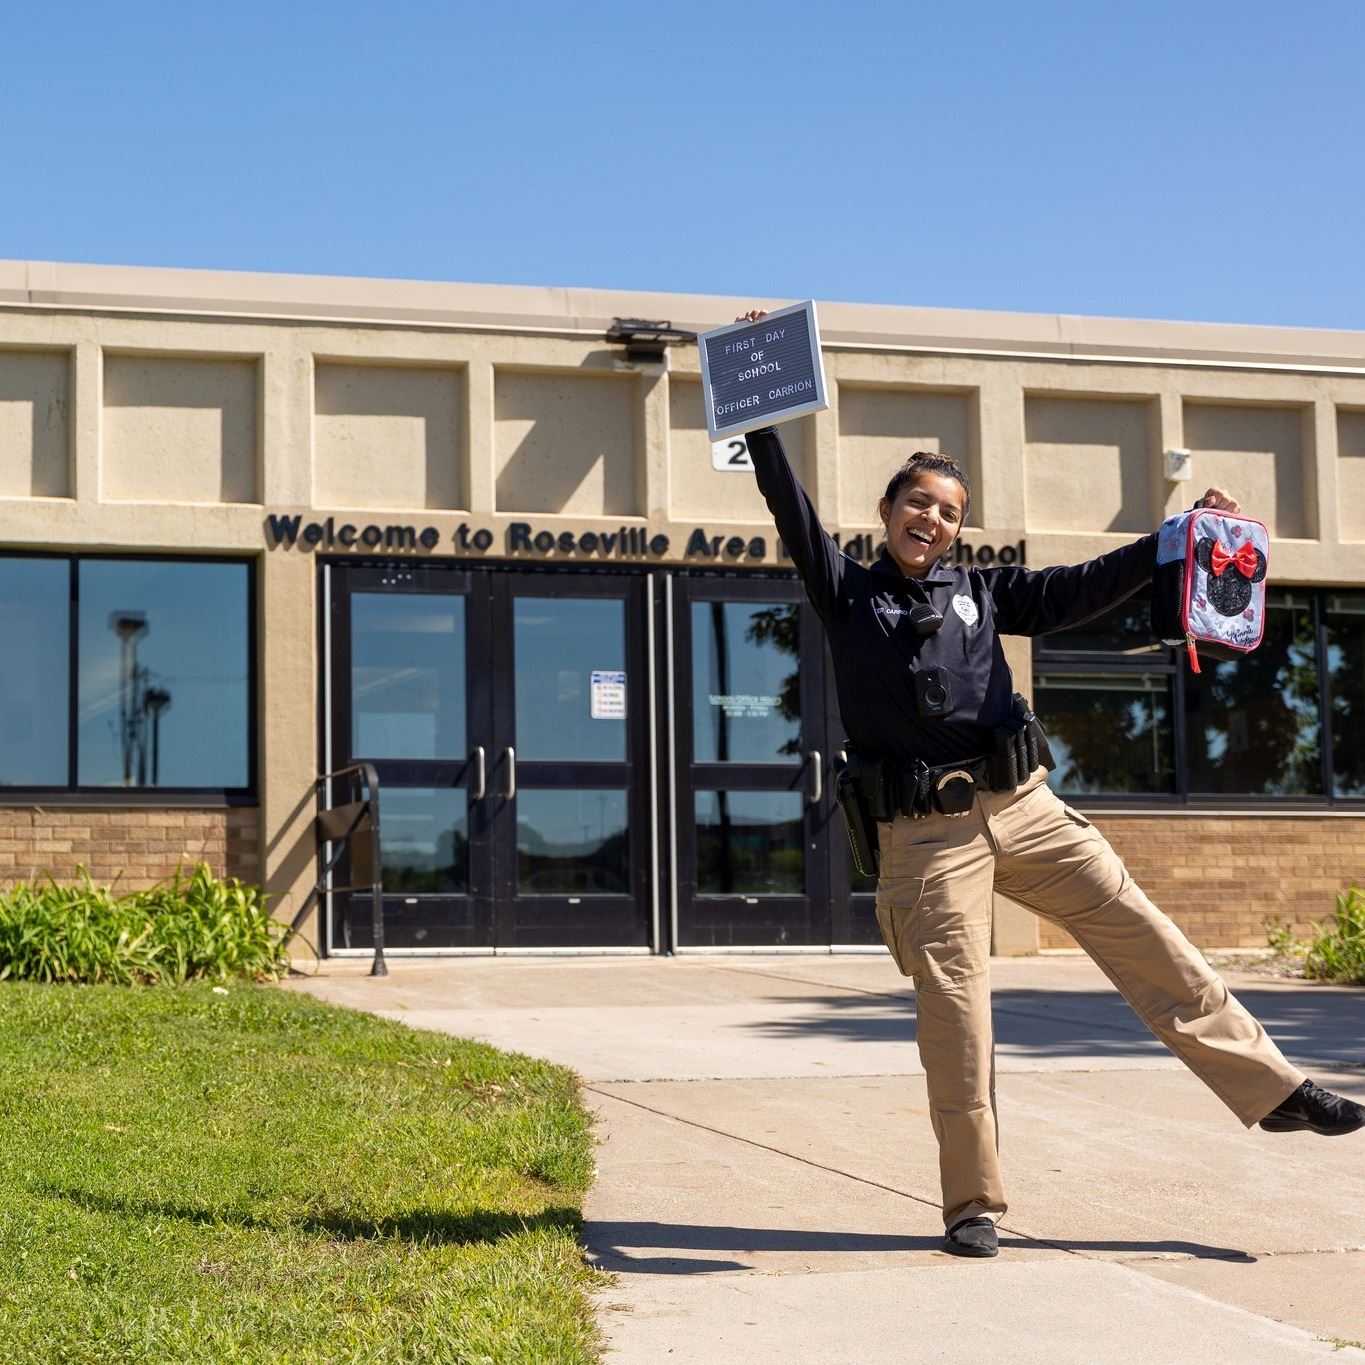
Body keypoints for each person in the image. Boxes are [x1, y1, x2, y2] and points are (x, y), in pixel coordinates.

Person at [732, 308, 1365, 1260]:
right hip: (925, 837)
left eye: (947, 508)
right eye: (916, 502)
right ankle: (970, 1204)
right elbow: (788, 507)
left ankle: (1274, 1090)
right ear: (886, 511)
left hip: (1027, 810)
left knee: (1147, 936)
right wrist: (759, 410)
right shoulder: (846, 592)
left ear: (955, 526)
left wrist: (1176, 536)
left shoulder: (987, 593)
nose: (930, 517)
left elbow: (1082, 584)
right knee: (957, 1017)